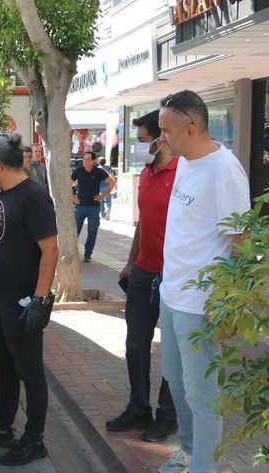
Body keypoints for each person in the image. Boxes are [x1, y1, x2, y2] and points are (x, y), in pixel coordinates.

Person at [156, 90, 250, 473]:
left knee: (203, 394)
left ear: (190, 129)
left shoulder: (224, 171)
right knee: (178, 384)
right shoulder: (185, 161)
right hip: (172, 294)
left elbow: (242, 243)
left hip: (202, 305)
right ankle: (191, 451)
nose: (161, 138)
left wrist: (235, 304)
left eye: (166, 130)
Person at [0, 133, 59, 467]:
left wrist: (39, 299)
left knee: (30, 371)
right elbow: (2, 240)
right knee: (3, 364)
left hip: (21, 301)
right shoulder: (5, 195)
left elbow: (50, 251)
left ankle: (34, 440)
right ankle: (3, 426)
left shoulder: (34, 198)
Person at [105, 110, 178, 442]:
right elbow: (142, 223)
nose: (139, 145)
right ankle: (138, 408)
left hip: (175, 276)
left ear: (162, 136)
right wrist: (130, 262)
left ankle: (167, 415)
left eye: (143, 138)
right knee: (135, 345)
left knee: (173, 351)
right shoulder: (147, 174)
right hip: (143, 272)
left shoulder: (184, 174)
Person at [71, 151, 115, 262]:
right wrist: (72, 196)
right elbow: (68, 181)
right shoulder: (78, 171)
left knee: (92, 231)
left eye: (87, 159)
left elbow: (112, 182)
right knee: (75, 231)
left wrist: (103, 195)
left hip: (94, 208)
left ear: (93, 161)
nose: (84, 161)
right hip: (79, 206)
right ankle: (72, 253)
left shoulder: (99, 172)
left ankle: (87, 254)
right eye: (84, 159)